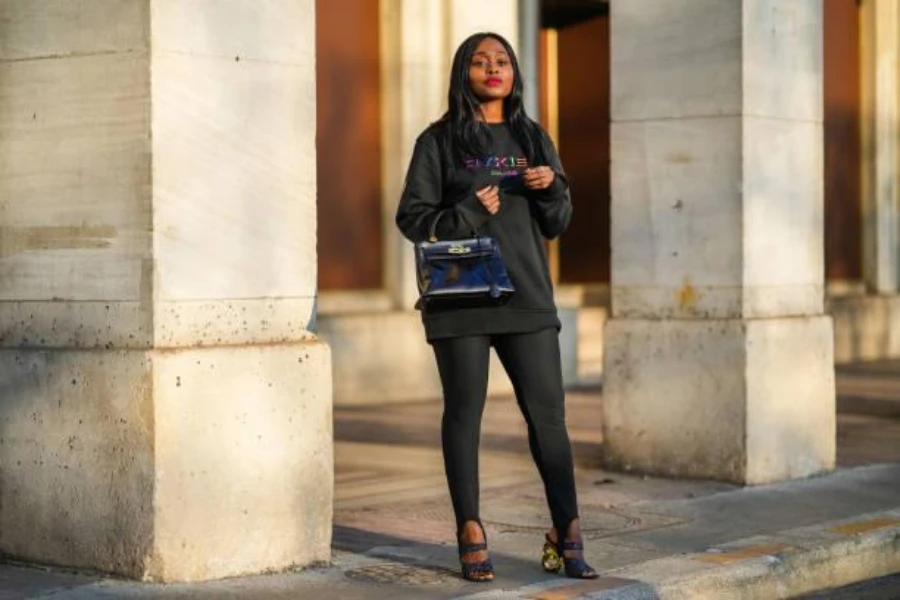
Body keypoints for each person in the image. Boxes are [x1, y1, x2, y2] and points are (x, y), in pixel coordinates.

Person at [395, 32, 598, 583]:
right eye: (481, 61)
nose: (492, 68)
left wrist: (552, 185)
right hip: (460, 301)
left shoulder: (533, 137)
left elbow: (556, 224)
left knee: (549, 418)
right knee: (464, 414)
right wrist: (464, 212)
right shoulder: (438, 141)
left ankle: (568, 528)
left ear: (514, 74)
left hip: (527, 297)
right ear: (465, 72)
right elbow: (412, 218)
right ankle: (470, 528)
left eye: (501, 61)